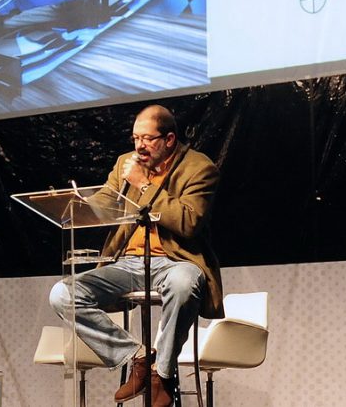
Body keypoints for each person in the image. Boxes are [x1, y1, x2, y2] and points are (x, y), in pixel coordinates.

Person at [49, 105, 224, 407]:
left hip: (177, 261)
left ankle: (162, 374)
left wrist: (144, 184)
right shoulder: (124, 164)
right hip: (128, 262)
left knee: (184, 284)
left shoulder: (199, 168)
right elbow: (105, 203)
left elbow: (188, 222)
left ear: (169, 139)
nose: (139, 146)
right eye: (135, 138)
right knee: (62, 294)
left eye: (147, 138)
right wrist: (76, 205)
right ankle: (139, 357)